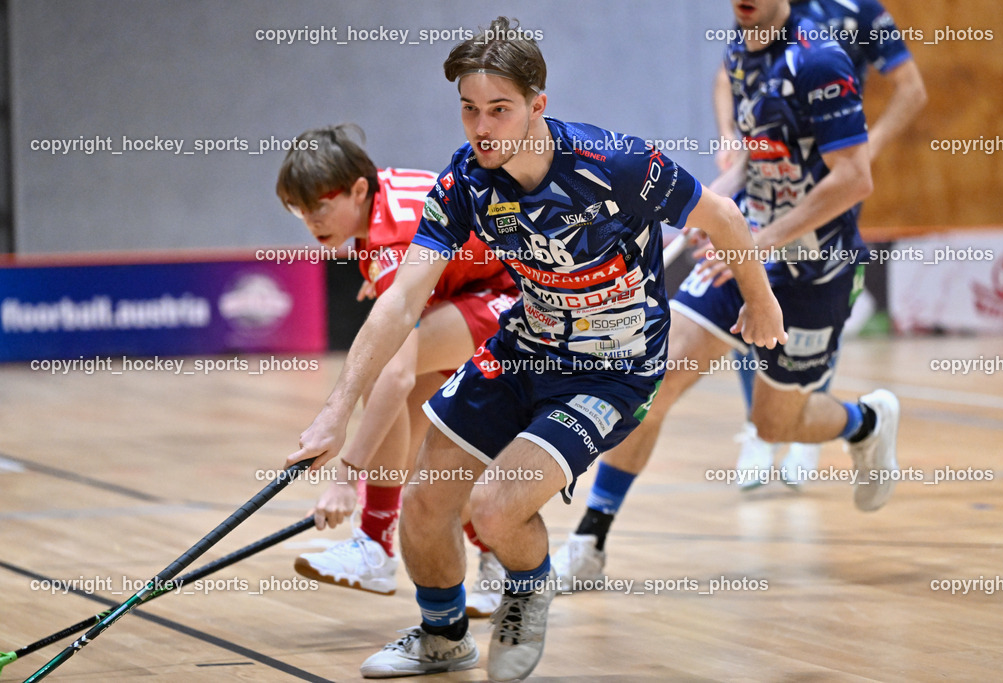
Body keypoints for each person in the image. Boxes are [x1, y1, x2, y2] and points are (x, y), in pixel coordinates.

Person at [284, 16, 785, 681]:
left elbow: (722, 217)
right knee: (426, 501)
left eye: (499, 109)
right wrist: (334, 412)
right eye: (469, 109)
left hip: (613, 371)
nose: (482, 127)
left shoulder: (617, 164)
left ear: (537, 105)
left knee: (495, 506)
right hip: (524, 345)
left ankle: (526, 589)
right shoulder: (465, 183)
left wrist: (761, 300)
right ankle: (442, 636)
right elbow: (401, 303)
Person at [553, 0, 903, 585]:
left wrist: (760, 242)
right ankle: (590, 540)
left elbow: (854, 177)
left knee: (775, 425)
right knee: (655, 382)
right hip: (745, 250)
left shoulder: (820, 60)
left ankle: (864, 422)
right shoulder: (741, 51)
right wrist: (712, 208)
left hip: (814, 271)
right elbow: (754, 162)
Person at [276, 123, 519, 616]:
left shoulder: (393, 236)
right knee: (423, 456)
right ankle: (494, 560)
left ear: (357, 189)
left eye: (319, 206)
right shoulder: (380, 202)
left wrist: (346, 476)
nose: (311, 221)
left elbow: (396, 371)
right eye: (299, 211)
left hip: (518, 297)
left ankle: (373, 544)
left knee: (385, 366)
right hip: (475, 290)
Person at [715, 0, 927, 488]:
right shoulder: (760, 12)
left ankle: (804, 420)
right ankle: (760, 427)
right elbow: (728, 73)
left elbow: (912, 89)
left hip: (824, 186)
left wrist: (863, 151)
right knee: (748, 294)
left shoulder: (858, 11)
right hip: (767, 180)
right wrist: (730, 134)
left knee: (813, 293)